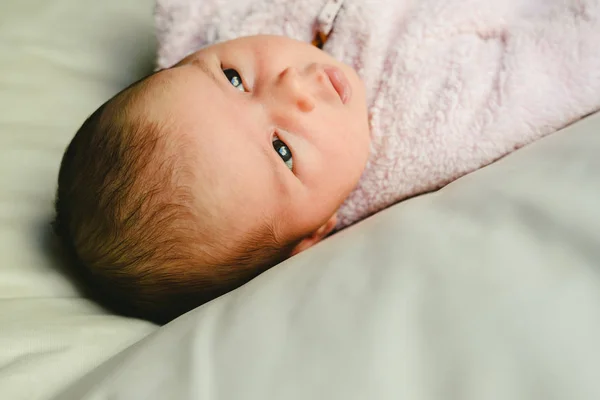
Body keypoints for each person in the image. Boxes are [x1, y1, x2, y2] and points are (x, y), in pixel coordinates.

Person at [54, 0, 600, 324]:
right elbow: (561, 63)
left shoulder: (231, 22)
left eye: (233, 78)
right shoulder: (430, 130)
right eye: (282, 149)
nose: (292, 86)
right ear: (311, 236)